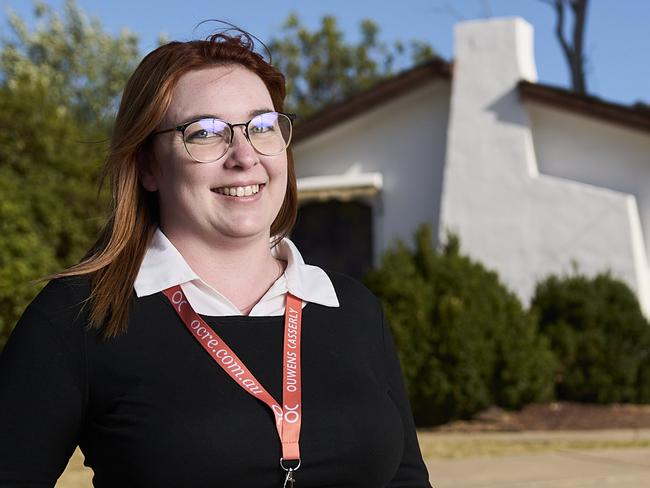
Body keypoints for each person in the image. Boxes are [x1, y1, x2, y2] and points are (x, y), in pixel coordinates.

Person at [0, 29, 432, 487]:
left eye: (262, 126)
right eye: (205, 133)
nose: (244, 156)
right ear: (148, 165)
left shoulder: (353, 309)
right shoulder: (82, 316)